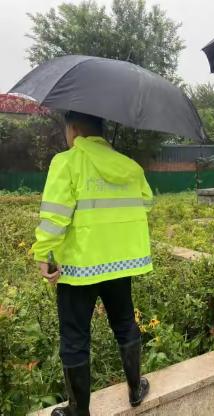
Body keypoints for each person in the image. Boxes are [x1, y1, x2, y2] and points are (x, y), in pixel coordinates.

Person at [32, 111, 153, 415]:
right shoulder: (129, 166)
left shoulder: (67, 162)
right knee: (125, 323)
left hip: (79, 268)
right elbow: (146, 202)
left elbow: (55, 215)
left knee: (74, 338)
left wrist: (43, 254)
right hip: (120, 264)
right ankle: (136, 389)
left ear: (73, 130)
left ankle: (78, 412)